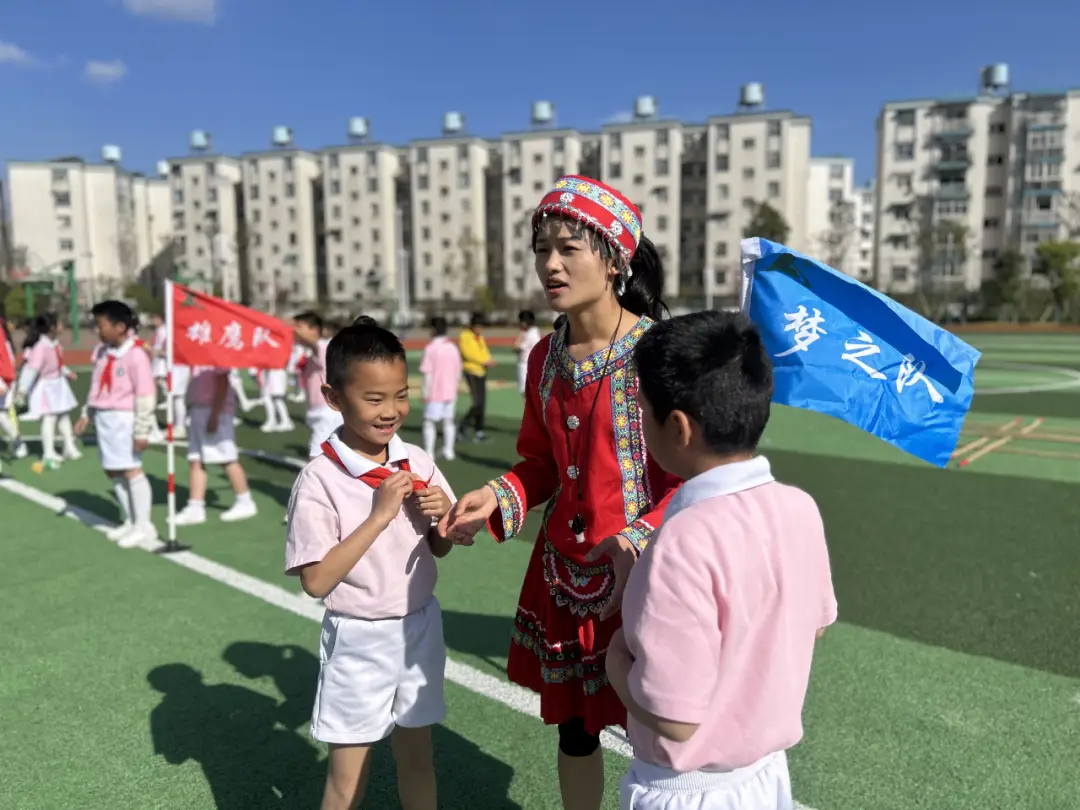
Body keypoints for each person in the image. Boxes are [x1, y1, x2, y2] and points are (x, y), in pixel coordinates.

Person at [440, 175, 681, 810]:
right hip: (561, 576)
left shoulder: (660, 353)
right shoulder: (544, 355)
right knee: (575, 731)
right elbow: (540, 461)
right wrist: (499, 495)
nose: (551, 264)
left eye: (569, 248)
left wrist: (639, 535)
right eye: (542, 249)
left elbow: (693, 477)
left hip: (645, 574)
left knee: (657, 733)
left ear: (615, 258)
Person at [606, 310, 838, 810]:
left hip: (687, 791)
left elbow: (674, 716)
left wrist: (616, 662)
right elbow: (814, 624)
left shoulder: (684, 538)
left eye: (642, 411)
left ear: (678, 427)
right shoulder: (801, 507)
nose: (640, 424)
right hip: (766, 777)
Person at [285, 317, 457, 810]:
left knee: (418, 758)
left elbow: (439, 547)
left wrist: (444, 520)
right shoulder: (320, 480)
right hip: (359, 639)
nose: (391, 411)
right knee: (347, 777)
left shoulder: (417, 460)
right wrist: (380, 515)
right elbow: (316, 581)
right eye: (374, 399)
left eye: (400, 395)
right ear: (333, 397)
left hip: (419, 626)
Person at [74, 301, 158, 548]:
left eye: (101, 325)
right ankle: (130, 519)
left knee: (131, 469)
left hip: (124, 419)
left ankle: (144, 525)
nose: (97, 331)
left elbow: (145, 395)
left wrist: (141, 430)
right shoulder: (102, 352)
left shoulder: (135, 356)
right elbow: (96, 386)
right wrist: (86, 413)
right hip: (104, 418)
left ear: (120, 327)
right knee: (112, 469)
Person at [173, 366, 258, 525]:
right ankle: (195, 505)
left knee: (226, 458)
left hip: (215, 410)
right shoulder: (199, 354)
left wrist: (215, 415)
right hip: (198, 409)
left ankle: (244, 500)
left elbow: (222, 383)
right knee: (196, 459)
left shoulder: (216, 355)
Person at [16, 313, 81, 462]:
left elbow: (58, 363)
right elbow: (32, 369)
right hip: (46, 387)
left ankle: (69, 446)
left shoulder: (55, 344)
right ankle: (48, 452)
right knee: (49, 418)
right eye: (59, 323)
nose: (61, 326)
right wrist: (22, 390)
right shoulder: (41, 347)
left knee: (64, 416)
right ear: (51, 328)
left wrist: (67, 372)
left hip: (59, 384)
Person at [293, 311, 345, 458]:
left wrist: (288, 327)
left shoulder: (325, 347)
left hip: (327, 413)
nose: (296, 331)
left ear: (314, 330)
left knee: (315, 459)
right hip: (317, 413)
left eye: (300, 327)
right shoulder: (312, 352)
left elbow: (313, 343)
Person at [419, 316, 462, 461]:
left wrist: (425, 391)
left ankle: (429, 452)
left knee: (429, 422)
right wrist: (456, 386)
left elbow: (427, 373)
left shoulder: (430, 348)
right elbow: (458, 371)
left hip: (435, 391)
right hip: (450, 391)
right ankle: (449, 451)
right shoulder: (452, 347)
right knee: (448, 421)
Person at [456, 312, 494, 443]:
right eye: (478, 326)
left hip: (481, 372)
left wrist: (488, 359)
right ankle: (461, 427)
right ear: (472, 325)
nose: (480, 329)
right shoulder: (465, 336)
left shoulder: (479, 337)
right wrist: (484, 361)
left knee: (482, 403)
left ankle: (479, 431)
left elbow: (484, 351)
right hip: (471, 372)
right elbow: (468, 354)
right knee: (476, 402)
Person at [0, 308, 27, 460]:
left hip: (3, 378)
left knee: (1, 415)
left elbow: (4, 357)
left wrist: (3, 381)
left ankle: (18, 441)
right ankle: (18, 441)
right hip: (6, 377)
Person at [514, 309, 542, 395]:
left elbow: (517, 348)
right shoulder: (535, 332)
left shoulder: (530, 334)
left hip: (526, 365)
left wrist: (520, 334)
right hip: (531, 364)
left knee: (526, 393)